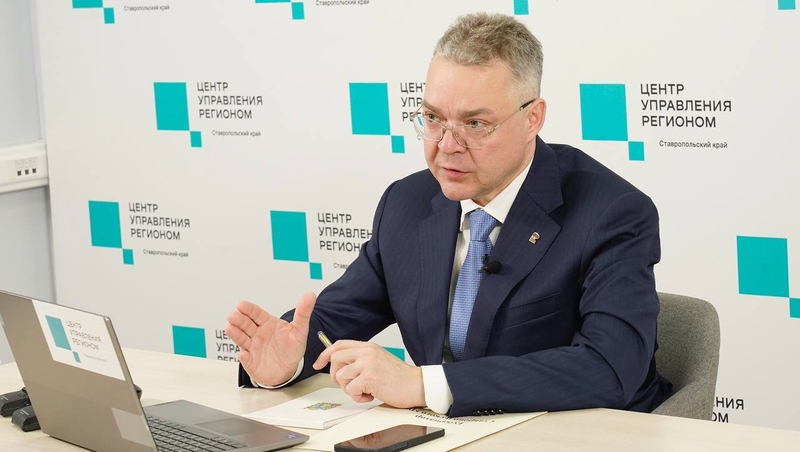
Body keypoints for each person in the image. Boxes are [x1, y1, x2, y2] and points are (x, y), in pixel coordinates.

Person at [226, 12, 673, 417]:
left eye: (475, 124)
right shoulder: (407, 203)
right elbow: (332, 322)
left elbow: (611, 367)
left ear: (533, 118)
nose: (446, 146)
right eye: (433, 118)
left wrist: (424, 385)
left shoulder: (611, 212)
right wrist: (288, 362)